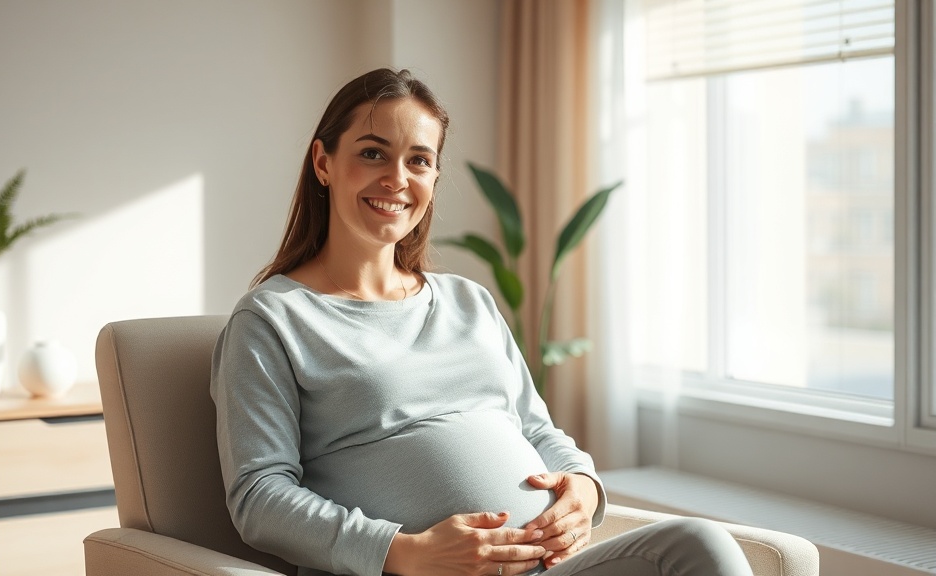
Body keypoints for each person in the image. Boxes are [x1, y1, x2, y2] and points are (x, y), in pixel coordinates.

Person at [210, 68, 753, 576]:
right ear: (323, 163)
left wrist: (582, 489)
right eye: (373, 153)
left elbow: (537, 430)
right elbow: (259, 495)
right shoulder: (272, 319)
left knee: (696, 546)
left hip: (544, 566)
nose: (396, 179)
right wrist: (405, 552)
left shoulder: (468, 302)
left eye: (419, 160)